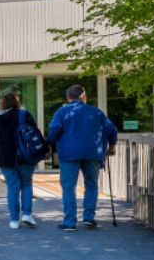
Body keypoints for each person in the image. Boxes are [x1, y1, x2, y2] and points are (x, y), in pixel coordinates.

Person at [47, 84, 118, 231]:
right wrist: (111, 146)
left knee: (68, 187)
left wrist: (48, 146)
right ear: (83, 96)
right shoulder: (96, 112)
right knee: (91, 184)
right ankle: (89, 218)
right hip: (92, 153)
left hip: (69, 154)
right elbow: (111, 130)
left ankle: (69, 222)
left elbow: (54, 130)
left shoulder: (61, 112)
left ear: (68, 98)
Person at [0, 92, 41, 229]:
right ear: (17, 103)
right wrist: (43, 150)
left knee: (12, 187)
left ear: (3, 104)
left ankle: (13, 220)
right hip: (25, 157)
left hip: (5, 158)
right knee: (26, 184)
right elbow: (35, 133)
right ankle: (27, 214)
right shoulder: (24, 115)